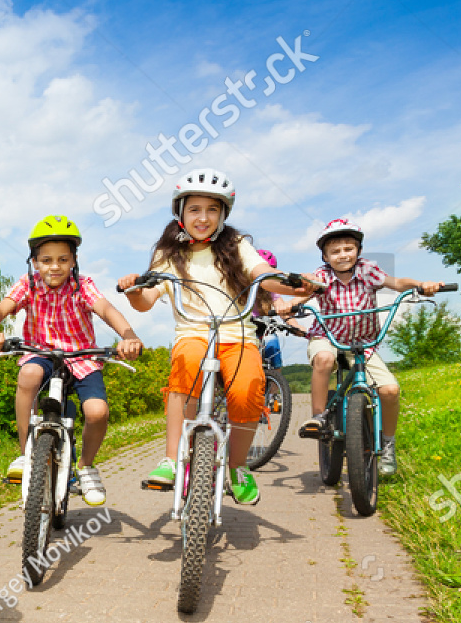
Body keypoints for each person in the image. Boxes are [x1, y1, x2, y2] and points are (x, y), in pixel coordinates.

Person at [118, 169, 320, 505]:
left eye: (212, 210)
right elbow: (146, 302)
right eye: (194, 209)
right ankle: (170, 459)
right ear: (180, 212)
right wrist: (132, 290)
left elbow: (264, 277)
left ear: (223, 215)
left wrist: (299, 284)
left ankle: (238, 468)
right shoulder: (168, 255)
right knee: (186, 366)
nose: (203, 217)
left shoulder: (237, 245)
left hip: (237, 334)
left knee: (247, 391)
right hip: (193, 332)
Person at [0, 215, 144, 507]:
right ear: (34, 262)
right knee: (28, 375)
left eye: (62, 259)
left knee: (96, 412)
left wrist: (129, 335)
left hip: (81, 358)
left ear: (73, 261)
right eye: (46, 260)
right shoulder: (28, 284)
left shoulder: (82, 285)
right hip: (40, 353)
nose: (54, 266)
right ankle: (26, 454)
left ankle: (86, 466)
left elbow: (106, 310)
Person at [290, 218, 444, 475]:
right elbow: (305, 291)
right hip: (327, 337)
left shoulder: (368, 270)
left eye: (348, 249)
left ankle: (387, 444)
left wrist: (420, 285)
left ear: (358, 251)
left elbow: (397, 283)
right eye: (335, 251)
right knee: (325, 360)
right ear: (325, 256)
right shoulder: (322, 277)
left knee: (390, 390)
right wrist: (289, 304)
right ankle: (318, 418)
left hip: (362, 343)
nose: (342, 255)